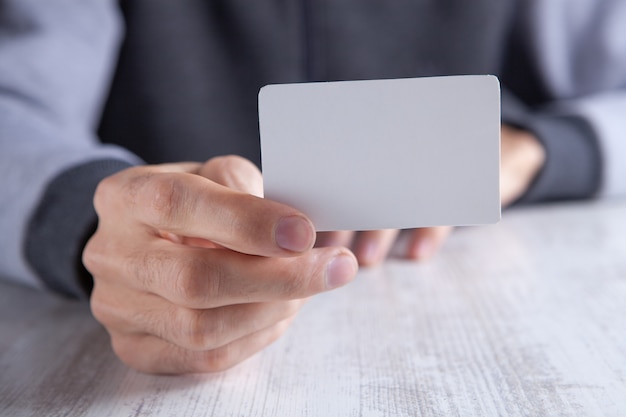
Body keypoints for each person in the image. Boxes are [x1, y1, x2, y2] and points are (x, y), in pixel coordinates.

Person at [0, 0, 624, 374]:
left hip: (491, 293)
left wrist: (537, 148)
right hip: (114, 301)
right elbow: (14, 106)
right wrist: (83, 212)